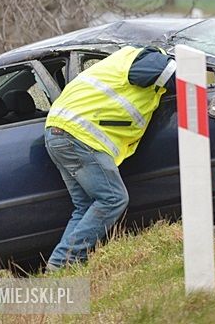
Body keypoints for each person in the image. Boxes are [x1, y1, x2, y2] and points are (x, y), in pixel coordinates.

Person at [43, 45, 176, 270]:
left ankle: (61, 268)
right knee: (113, 198)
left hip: (59, 133)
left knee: (84, 205)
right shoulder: (150, 60)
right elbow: (176, 76)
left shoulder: (120, 62)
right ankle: (65, 261)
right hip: (79, 136)